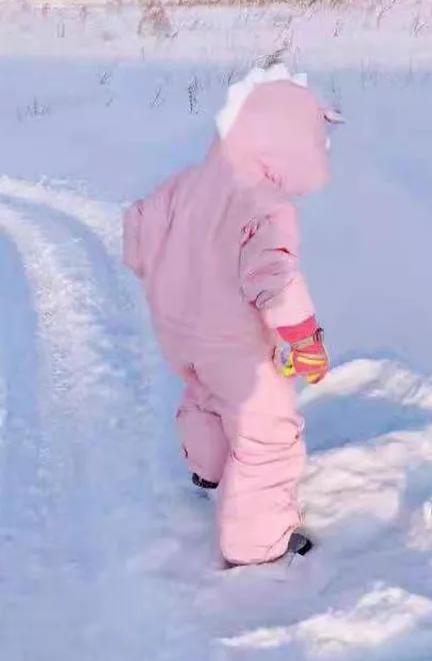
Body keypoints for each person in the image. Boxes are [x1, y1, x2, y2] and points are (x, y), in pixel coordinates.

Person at [123, 63, 340, 567]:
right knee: (268, 430)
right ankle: (257, 544)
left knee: (206, 391)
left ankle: (209, 467)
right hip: (232, 341)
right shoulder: (263, 205)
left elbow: (137, 228)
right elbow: (274, 279)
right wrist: (304, 339)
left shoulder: (187, 183)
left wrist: (166, 279)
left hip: (178, 331)